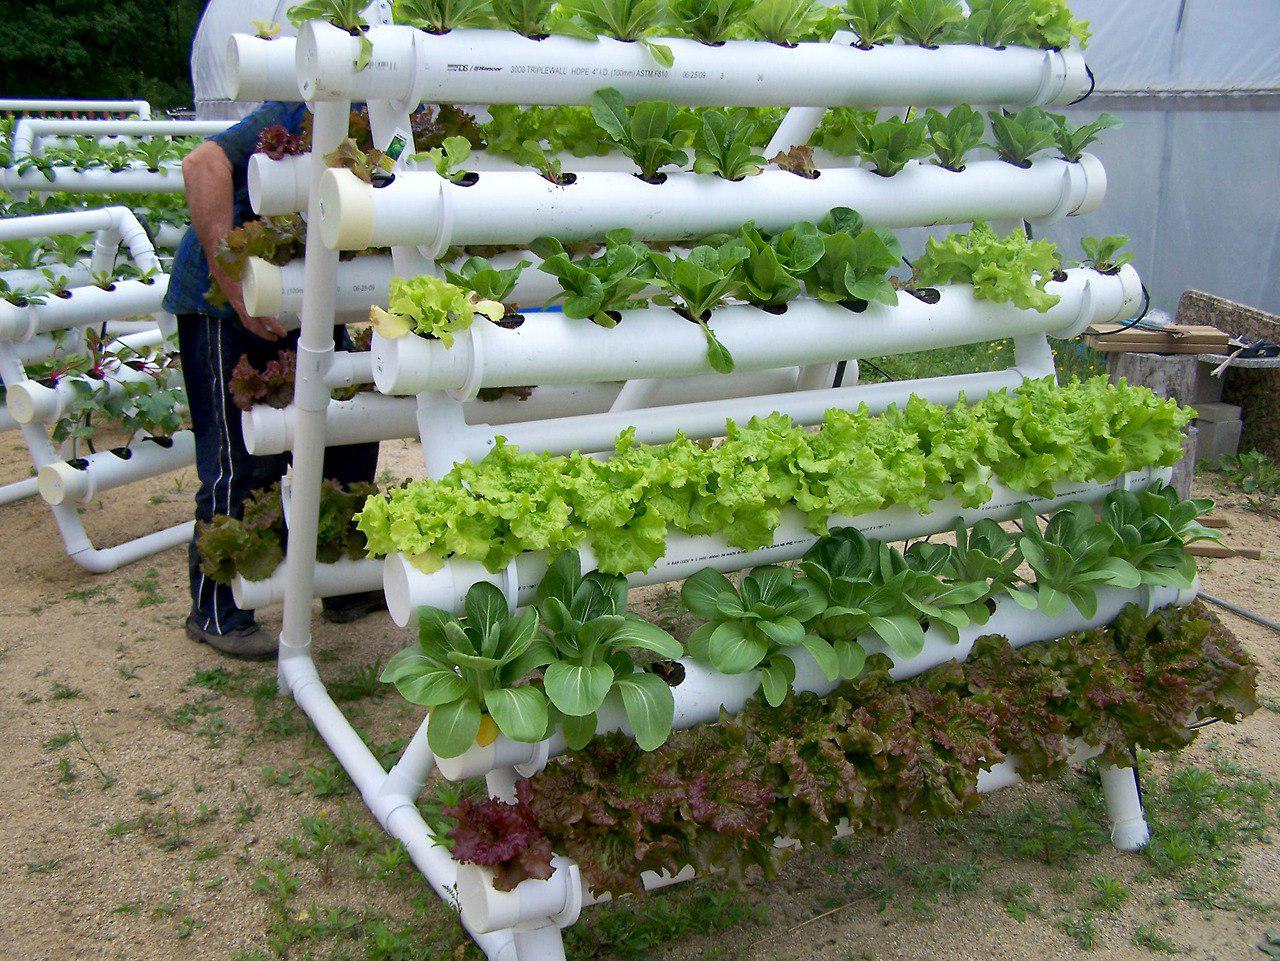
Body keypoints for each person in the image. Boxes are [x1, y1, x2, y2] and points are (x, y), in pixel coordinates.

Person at [164, 101, 383, 660]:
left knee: (345, 435)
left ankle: (340, 585)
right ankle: (215, 610)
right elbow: (201, 164)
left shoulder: (403, 126)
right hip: (225, 298)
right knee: (241, 457)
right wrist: (233, 279)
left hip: (306, 298)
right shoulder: (309, 105)